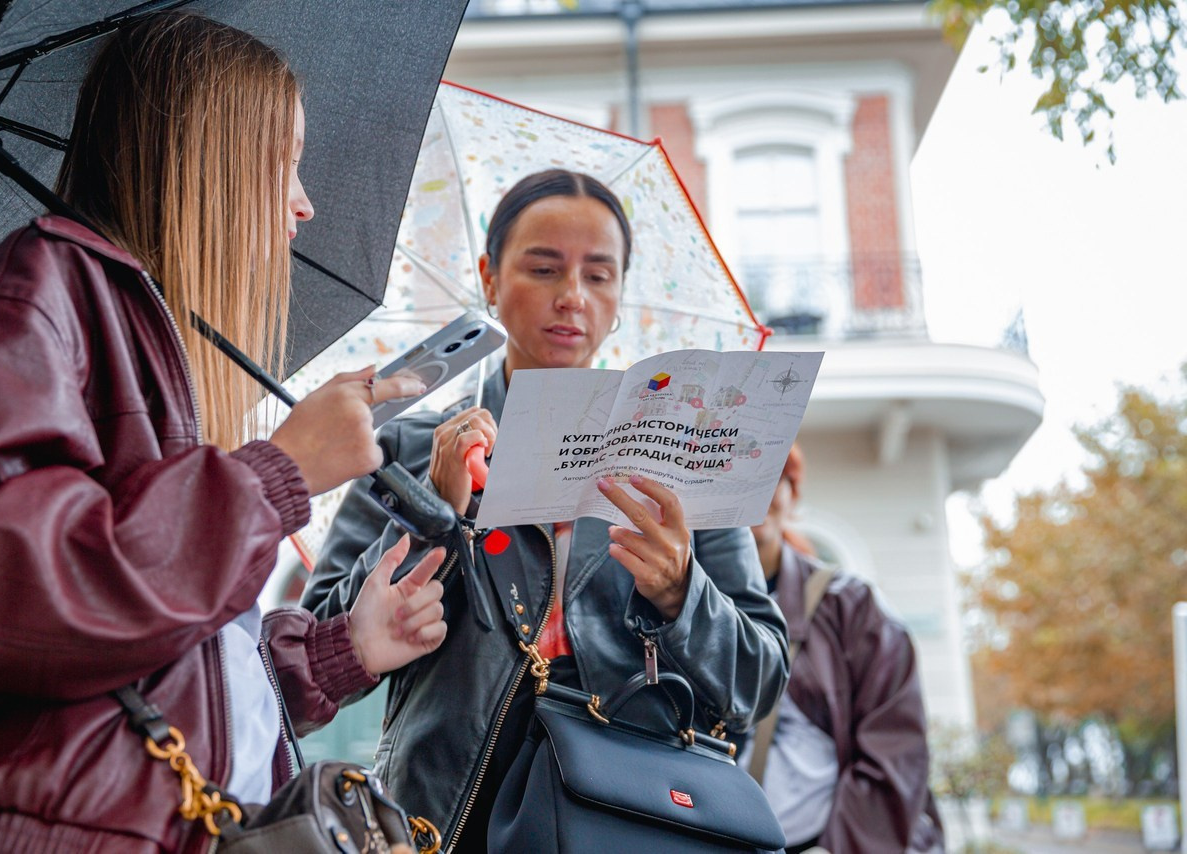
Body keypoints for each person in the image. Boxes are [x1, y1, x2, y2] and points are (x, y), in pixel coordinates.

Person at [0, 13, 448, 853]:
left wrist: (340, 653)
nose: (305, 203)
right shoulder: (39, 299)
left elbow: (167, 652)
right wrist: (277, 475)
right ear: (205, 157)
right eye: (284, 165)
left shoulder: (151, 339)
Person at [302, 168, 790, 852]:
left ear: (619, 296)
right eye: (543, 268)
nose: (572, 298)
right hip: (443, 819)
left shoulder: (681, 452)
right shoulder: (407, 449)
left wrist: (683, 593)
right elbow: (320, 652)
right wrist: (431, 514)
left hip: (624, 820)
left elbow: (760, 680)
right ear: (491, 278)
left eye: (599, 275)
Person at [746, 443, 945, 853]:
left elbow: (894, 755)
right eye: (738, 479)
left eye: (771, 477)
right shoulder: (678, 605)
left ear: (792, 493)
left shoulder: (852, 606)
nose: (757, 492)